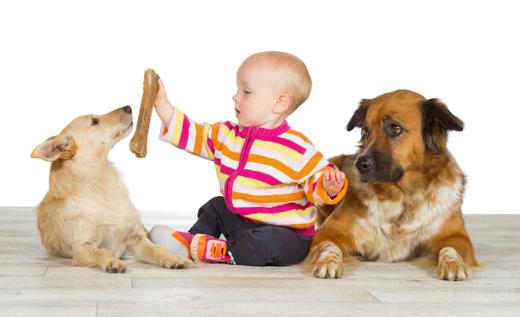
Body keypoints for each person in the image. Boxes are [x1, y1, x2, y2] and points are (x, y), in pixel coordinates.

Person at [149, 51, 347, 266]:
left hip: (287, 236)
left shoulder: (295, 147)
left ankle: (222, 252)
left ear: (279, 103)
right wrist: (163, 106)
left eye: (246, 91)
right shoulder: (227, 135)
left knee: (267, 242)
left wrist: (329, 186)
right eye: (237, 90)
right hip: (243, 222)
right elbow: (193, 134)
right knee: (216, 207)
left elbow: (317, 179)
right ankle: (191, 242)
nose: (236, 96)